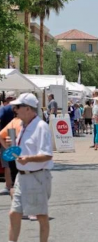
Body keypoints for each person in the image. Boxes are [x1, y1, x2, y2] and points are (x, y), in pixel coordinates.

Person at [7, 93, 53, 242]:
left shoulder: (41, 126)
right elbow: (22, 150)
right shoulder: (22, 125)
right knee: (14, 213)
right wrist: (11, 146)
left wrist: (28, 159)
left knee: (41, 216)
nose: (15, 109)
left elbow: (47, 155)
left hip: (36, 176)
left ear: (28, 109)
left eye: (18, 106)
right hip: (22, 176)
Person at [0, 91, 16, 195]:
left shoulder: (4, 109)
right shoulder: (20, 109)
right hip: (19, 136)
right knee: (17, 161)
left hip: (6, 137)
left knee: (7, 163)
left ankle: (8, 185)